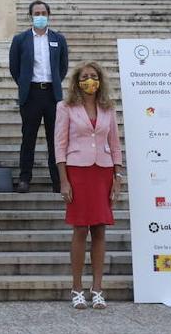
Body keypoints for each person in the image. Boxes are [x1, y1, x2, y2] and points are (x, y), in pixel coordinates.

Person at [55, 61, 123, 310]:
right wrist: (63, 180)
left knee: (100, 230)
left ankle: (97, 289)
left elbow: (115, 144)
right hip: (77, 171)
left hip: (102, 171)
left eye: (93, 76)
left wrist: (118, 177)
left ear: (100, 80)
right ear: (77, 81)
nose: (89, 80)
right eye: (84, 76)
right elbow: (59, 145)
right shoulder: (65, 107)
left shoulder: (108, 108)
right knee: (80, 229)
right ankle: (76, 289)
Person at [9, 0, 69, 194]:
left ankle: (58, 181)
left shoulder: (58, 39)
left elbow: (63, 67)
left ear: (48, 15)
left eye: (43, 12)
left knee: (55, 140)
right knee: (28, 138)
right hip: (31, 94)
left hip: (52, 94)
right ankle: (25, 178)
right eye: (37, 13)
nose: (40, 16)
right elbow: (14, 67)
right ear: (31, 16)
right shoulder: (21, 39)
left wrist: (54, 83)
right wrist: (25, 84)